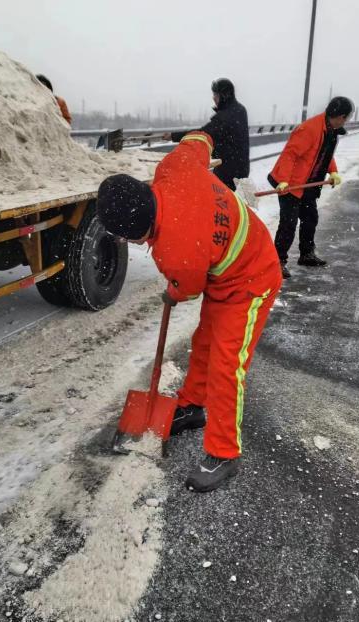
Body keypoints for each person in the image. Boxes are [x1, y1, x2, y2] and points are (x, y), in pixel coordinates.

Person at [96, 131, 282, 492]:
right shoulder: (175, 165)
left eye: (128, 239)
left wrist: (172, 291)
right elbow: (200, 139)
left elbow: (189, 288)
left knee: (227, 366)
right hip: (225, 272)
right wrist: (196, 141)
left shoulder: (175, 251)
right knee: (204, 344)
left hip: (252, 278)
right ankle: (193, 406)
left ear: (136, 233)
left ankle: (224, 452)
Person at [268, 96, 353, 278]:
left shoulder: (330, 130)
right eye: (347, 118)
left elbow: (325, 154)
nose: (346, 122)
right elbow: (290, 154)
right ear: (341, 116)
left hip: (308, 184)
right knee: (288, 224)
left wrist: (333, 172)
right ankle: (277, 262)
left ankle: (306, 254)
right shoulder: (310, 129)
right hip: (290, 184)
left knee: (310, 218)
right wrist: (283, 180)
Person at [167, 78, 249, 191]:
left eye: (216, 94)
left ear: (224, 96)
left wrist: (173, 136)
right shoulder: (240, 110)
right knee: (234, 199)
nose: (213, 97)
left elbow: (201, 133)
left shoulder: (225, 116)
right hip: (239, 168)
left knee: (219, 198)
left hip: (228, 172)